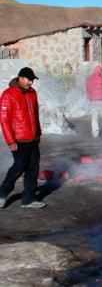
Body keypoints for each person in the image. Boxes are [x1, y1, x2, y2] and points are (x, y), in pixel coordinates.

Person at [0, 67, 46, 208]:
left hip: (33, 139)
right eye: (29, 80)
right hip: (19, 140)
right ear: (20, 78)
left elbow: (35, 115)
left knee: (33, 168)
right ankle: (2, 194)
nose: (31, 83)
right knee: (18, 167)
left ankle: (28, 199)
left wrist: (38, 133)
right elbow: (4, 120)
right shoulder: (8, 94)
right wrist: (11, 141)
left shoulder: (32, 94)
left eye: (32, 80)